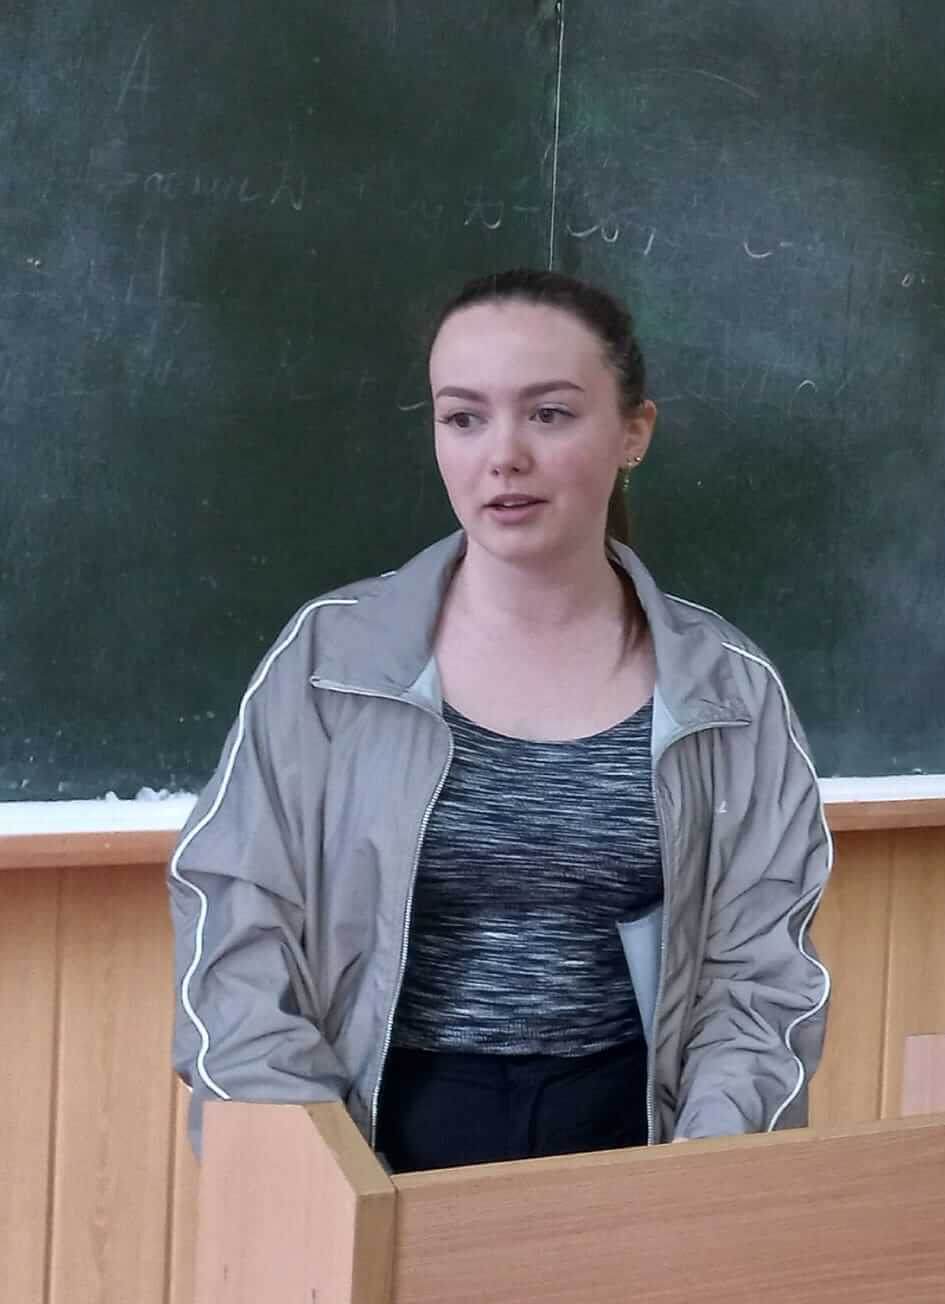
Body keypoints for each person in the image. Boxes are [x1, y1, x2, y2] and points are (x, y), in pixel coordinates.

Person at [167, 268, 831, 1171]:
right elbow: (234, 928)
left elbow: (759, 981)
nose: (503, 455)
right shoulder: (330, 662)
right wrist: (318, 1172)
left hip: (636, 1147)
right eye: (464, 417)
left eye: (549, 414)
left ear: (633, 432)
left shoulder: (730, 692)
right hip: (370, 1139)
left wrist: (697, 1181)